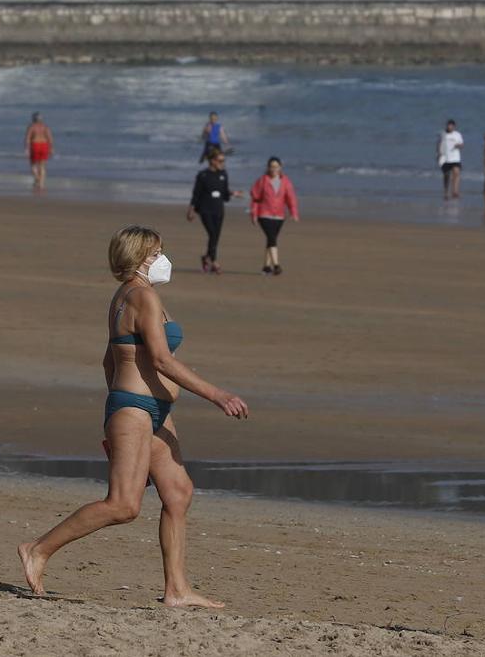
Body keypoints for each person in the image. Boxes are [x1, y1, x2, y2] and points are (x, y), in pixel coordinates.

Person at [17, 226, 249, 605]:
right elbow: (160, 359)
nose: (164, 258)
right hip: (136, 410)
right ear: (142, 257)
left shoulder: (126, 295)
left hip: (149, 412)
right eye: (158, 251)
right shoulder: (141, 296)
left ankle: (176, 589)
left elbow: (109, 360)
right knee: (123, 505)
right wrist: (216, 394)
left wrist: (123, 411)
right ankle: (37, 549)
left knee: (178, 493)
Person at [187, 149, 242, 274]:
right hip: (205, 209)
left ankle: (207, 258)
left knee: (215, 236)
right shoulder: (202, 175)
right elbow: (196, 194)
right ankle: (214, 261)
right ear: (212, 161)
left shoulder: (223, 174)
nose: (223, 163)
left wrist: (233, 193)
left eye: (224, 160)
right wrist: (191, 210)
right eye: (220, 160)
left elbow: (225, 193)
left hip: (219, 209)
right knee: (212, 234)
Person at [248, 157, 299, 276]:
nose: (274, 169)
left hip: (279, 216)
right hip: (264, 214)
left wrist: (294, 213)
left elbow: (291, 198)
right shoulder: (262, 181)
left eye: (276, 166)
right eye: (271, 166)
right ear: (268, 167)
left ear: (280, 167)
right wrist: (254, 214)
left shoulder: (286, 181)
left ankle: (266, 267)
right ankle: (276, 265)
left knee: (271, 240)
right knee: (272, 239)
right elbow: (255, 199)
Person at [24, 112, 54, 192]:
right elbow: (50, 139)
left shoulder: (32, 127)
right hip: (44, 145)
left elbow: (27, 138)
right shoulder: (45, 127)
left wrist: (26, 148)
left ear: (33, 119)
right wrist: (51, 148)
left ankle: (37, 178)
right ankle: (41, 184)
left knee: (33, 164)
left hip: (35, 145)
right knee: (42, 165)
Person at [436, 119, 463, 200]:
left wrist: (459, 146)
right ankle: (446, 192)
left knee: (456, 173)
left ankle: (455, 191)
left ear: (454, 126)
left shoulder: (457, 134)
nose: (449, 127)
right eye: (448, 125)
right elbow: (438, 143)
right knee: (446, 175)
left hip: (455, 158)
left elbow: (462, 144)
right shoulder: (443, 134)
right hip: (445, 158)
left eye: (451, 126)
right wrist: (438, 153)